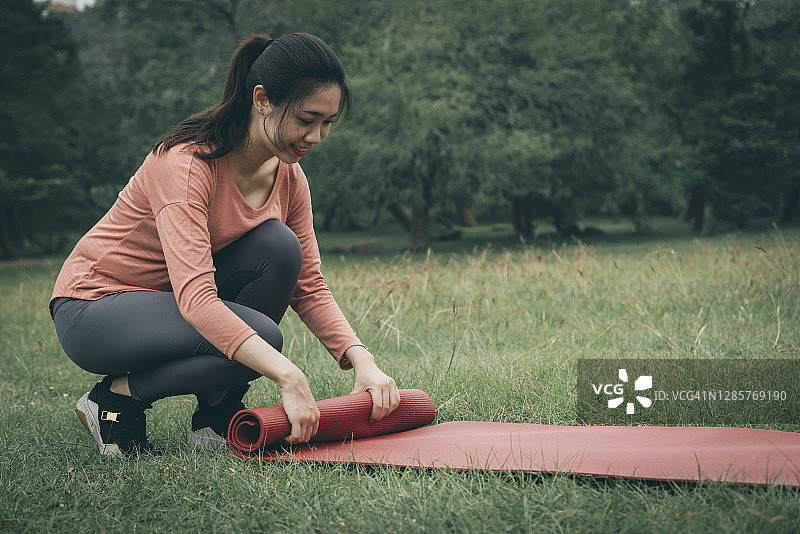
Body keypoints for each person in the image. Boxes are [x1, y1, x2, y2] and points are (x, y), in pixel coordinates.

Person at [50, 32, 400, 458]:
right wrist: (289, 377)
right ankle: (116, 400)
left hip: (167, 305)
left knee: (279, 246)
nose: (317, 136)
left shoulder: (289, 178)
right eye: (307, 120)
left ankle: (216, 411)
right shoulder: (184, 164)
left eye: (327, 123)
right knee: (264, 340)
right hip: (94, 308)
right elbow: (197, 299)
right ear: (261, 100)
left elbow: (308, 283)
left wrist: (361, 359)